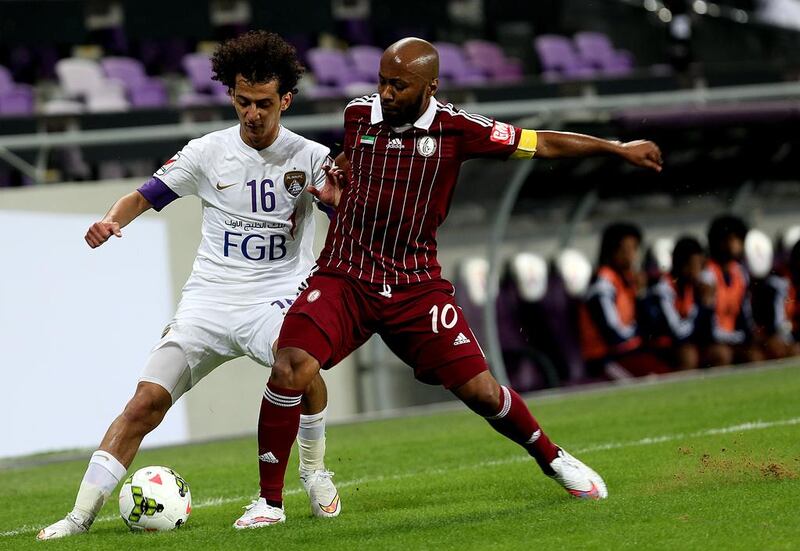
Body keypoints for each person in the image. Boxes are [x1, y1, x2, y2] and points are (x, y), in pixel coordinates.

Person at [241, 37, 665, 526]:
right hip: (346, 274)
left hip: (415, 285)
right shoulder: (358, 114)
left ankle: (553, 458)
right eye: (381, 80)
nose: (385, 91)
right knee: (290, 366)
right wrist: (340, 190)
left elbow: (541, 142)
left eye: (398, 84)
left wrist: (616, 148)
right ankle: (269, 504)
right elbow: (355, 168)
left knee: (483, 392)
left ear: (430, 86)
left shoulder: (459, 129)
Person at [37, 31, 344, 540]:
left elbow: (346, 212)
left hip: (276, 293)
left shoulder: (311, 156)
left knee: (299, 365)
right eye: (243, 102)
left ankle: (313, 471)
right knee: (144, 404)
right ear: (231, 96)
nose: (252, 113)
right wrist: (111, 221)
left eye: (264, 103)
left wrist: (337, 202)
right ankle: (79, 516)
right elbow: (145, 194)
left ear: (285, 99)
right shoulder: (207, 151)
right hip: (208, 300)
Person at [579, 223, 671, 378]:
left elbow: (651, 323)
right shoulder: (603, 284)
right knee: (654, 377)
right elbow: (613, 335)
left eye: (634, 249)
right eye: (625, 250)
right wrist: (641, 331)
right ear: (611, 251)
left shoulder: (629, 280)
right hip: (605, 358)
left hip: (630, 351)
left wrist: (641, 294)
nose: (631, 256)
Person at [641, 236, 714, 370]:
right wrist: (702, 306)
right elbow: (677, 331)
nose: (699, 271)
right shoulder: (662, 290)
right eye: (695, 265)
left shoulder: (692, 287)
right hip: (661, 345)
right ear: (684, 266)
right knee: (688, 355)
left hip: (684, 340)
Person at [700, 215, 762, 366]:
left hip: (734, 337)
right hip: (713, 341)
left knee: (755, 355)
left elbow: (745, 314)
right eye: (733, 239)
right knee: (722, 355)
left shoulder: (740, 273)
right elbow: (707, 324)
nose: (737, 244)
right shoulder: (708, 274)